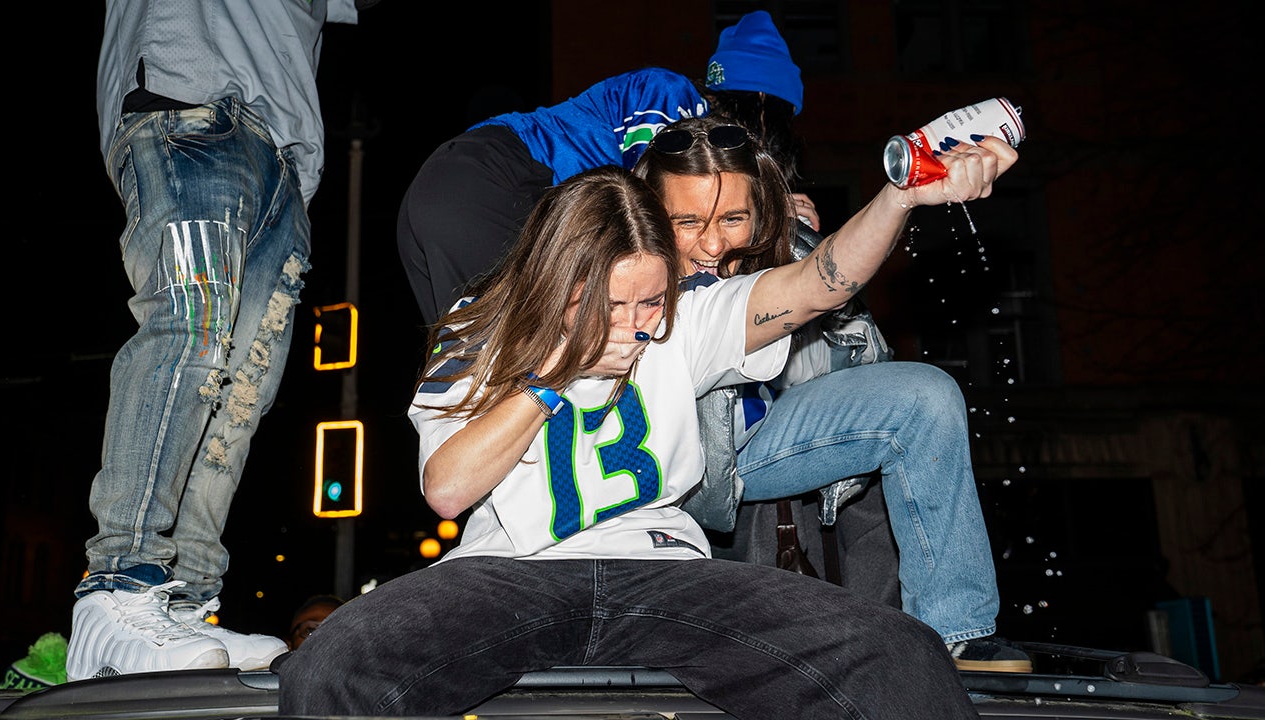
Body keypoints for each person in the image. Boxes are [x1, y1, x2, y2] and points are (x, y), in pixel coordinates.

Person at [279, 131, 1016, 715]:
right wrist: (551, 376)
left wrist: (899, 195)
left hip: (668, 574)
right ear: (555, 280)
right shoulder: (479, 330)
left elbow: (818, 283)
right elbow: (446, 488)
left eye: (650, 302)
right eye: (610, 305)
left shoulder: (684, 320)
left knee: (896, 654)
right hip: (510, 577)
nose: (634, 325)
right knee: (335, 664)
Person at [635, 116, 1032, 672]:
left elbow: (833, 299)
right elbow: (821, 284)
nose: (713, 243)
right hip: (674, 468)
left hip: (758, 437)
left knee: (925, 398)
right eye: (687, 222)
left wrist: (906, 191)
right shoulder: (625, 273)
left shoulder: (780, 244)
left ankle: (956, 630)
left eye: (733, 219)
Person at [66, 0, 365, 682]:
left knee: (241, 396)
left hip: (287, 162)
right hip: (191, 103)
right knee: (189, 331)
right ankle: (117, 589)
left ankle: (185, 604)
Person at [397, 10, 815, 327]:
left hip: (447, 190)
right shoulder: (671, 98)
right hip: (492, 181)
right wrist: (773, 209)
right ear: (764, 109)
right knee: (513, 358)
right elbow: (657, 212)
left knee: (469, 371)